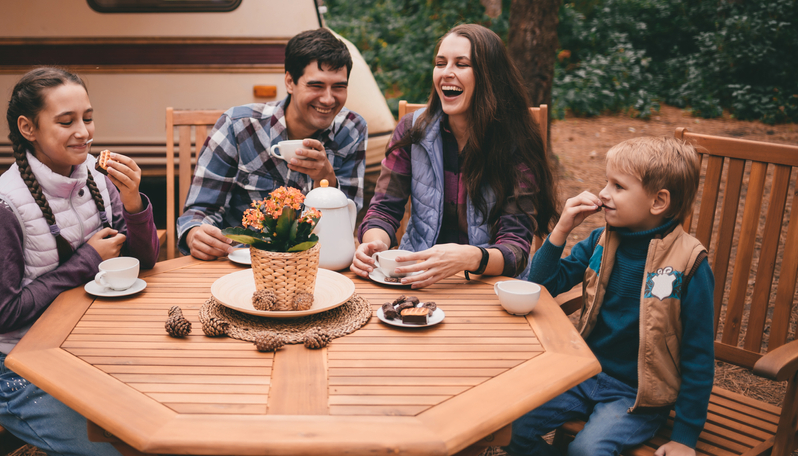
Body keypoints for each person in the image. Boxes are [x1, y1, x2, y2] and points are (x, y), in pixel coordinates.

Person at [0, 67, 159, 456]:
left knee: (165, 431)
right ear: (29, 128)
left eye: (88, 118)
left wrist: (133, 204)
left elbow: (141, 263)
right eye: (66, 121)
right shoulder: (5, 205)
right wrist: (87, 260)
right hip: (18, 371)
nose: (84, 132)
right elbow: (3, 314)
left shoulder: (96, 175)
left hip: (90, 351)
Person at [507, 136, 714, 456]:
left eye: (618, 186)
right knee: (513, 428)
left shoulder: (688, 264)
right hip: (584, 373)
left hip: (637, 395)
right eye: (607, 182)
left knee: (587, 451)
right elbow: (542, 284)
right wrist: (560, 230)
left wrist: (685, 437)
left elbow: (698, 354)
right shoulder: (601, 241)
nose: (603, 193)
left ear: (658, 202)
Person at [350, 23, 557, 288]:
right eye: (440, 63)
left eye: (461, 64)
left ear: (489, 76)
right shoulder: (412, 130)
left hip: (488, 284)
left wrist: (469, 257)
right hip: (415, 276)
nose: (446, 73)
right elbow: (383, 210)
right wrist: (374, 243)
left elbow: (516, 250)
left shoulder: (516, 140)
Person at [178, 28, 368, 260]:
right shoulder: (238, 126)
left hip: (316, 266)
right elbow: (200, 211)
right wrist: (195, 234)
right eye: (316, 86)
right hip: (243, 264)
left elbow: (347, 226)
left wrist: (325, 178)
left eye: (339, 87)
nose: (328, 99)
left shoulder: (351, 129)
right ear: (290, 82)